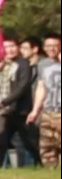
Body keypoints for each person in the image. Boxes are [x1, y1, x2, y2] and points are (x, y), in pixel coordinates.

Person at [0, 38, 40, 168]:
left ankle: (39, 163)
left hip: (19, 109)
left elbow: (23, 86)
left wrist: (6, 101)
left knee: (28, 141)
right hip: (4, 110)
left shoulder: (23, 64)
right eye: (6, 47)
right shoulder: (1, 64)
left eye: (12, 46)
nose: (10, 50)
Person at [37, 33, 61, 166]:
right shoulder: (43, 64)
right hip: (48, 111)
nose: (52, 49)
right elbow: (41, 87)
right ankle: (50, 171)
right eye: (48, 46)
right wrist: (35, 110)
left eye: (55, 45)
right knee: (47, 148)